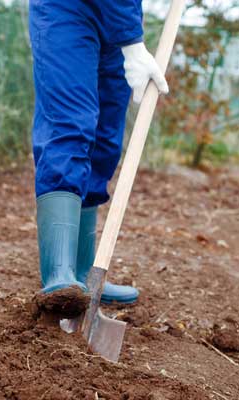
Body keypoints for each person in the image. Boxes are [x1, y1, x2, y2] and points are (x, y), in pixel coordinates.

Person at [29, 0, 168, 316]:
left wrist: (127, 35)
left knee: (104, 141)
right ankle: (59, 274)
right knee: (69, 125)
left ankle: (82, 275)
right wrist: (133, 43)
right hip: (66, 9)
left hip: (117, 18)